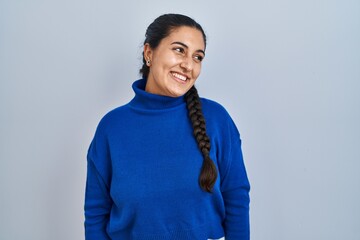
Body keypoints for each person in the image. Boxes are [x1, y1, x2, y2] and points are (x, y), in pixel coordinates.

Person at [84, 13, 250, 240]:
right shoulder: (111, 128)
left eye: (198, 57)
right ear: (149, 53)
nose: (188, 65)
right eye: (179, 50)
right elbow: (96, 213)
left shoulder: (217, 120)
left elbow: (236, 198)